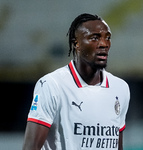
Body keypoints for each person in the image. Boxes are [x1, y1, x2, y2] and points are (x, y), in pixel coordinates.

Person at [22, 13, 130, 150]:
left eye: (107, 38)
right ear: (76, 43)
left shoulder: (120, 88)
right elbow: (30, 147)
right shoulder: (52, 85)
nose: (104, 44)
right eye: (95, 38)